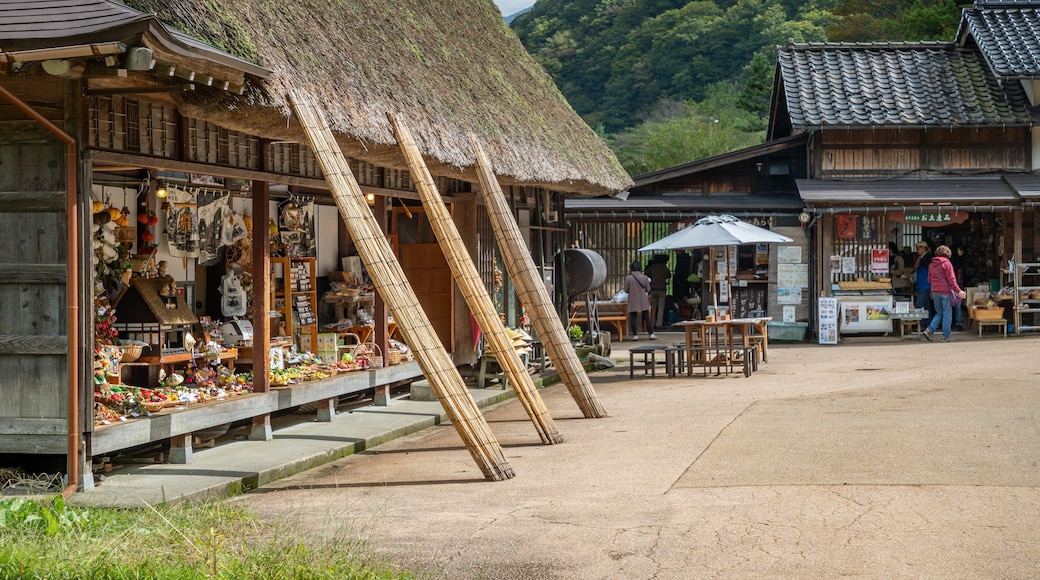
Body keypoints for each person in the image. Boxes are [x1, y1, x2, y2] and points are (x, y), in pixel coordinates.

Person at [921, 245, 966, 343]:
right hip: (945, 292)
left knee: (939, 312)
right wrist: (959, 291)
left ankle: (929, 330)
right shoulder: (947, 264)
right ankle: (945, 336)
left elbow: (929, 280)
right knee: (947, 314)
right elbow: (952, 281)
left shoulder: (931, 265)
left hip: (935, 292)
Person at [624, 260, 656, 340]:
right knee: (646, 316)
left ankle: (635, 335)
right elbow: (648, 290)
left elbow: (626, 290)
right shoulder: (645, 278)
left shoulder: (628, 278)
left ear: (631, 269)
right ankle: (651, 334)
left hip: (633, 299)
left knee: (633, 317)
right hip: (643, 299)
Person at [647, 254, 670, 328]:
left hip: (653, 289)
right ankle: (659, 324)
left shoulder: (652, 267)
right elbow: (669, 275)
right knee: (661, 307)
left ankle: (652, 323)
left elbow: (646, 274)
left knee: (653, 307)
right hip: (662, 289)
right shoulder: (664, 268)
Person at [911, 240, 934, 318]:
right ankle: (927, 323)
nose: (917, 250)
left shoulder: (928, 257)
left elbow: (918, 268)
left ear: (924, 248)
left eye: (918, 248)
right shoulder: (921, 257)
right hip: (922, 283)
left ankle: (920, 323)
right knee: (926, 306)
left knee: (919, 304)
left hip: (925, 284)